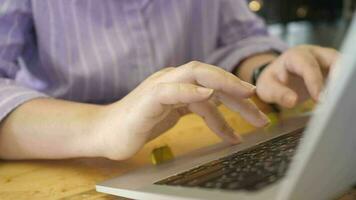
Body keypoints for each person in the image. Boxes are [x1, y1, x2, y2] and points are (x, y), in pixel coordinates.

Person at [0, 0, 338, 160]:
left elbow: (239, 39)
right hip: (64, 166)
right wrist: (100, 125)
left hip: (198, 152)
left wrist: (268, 71)